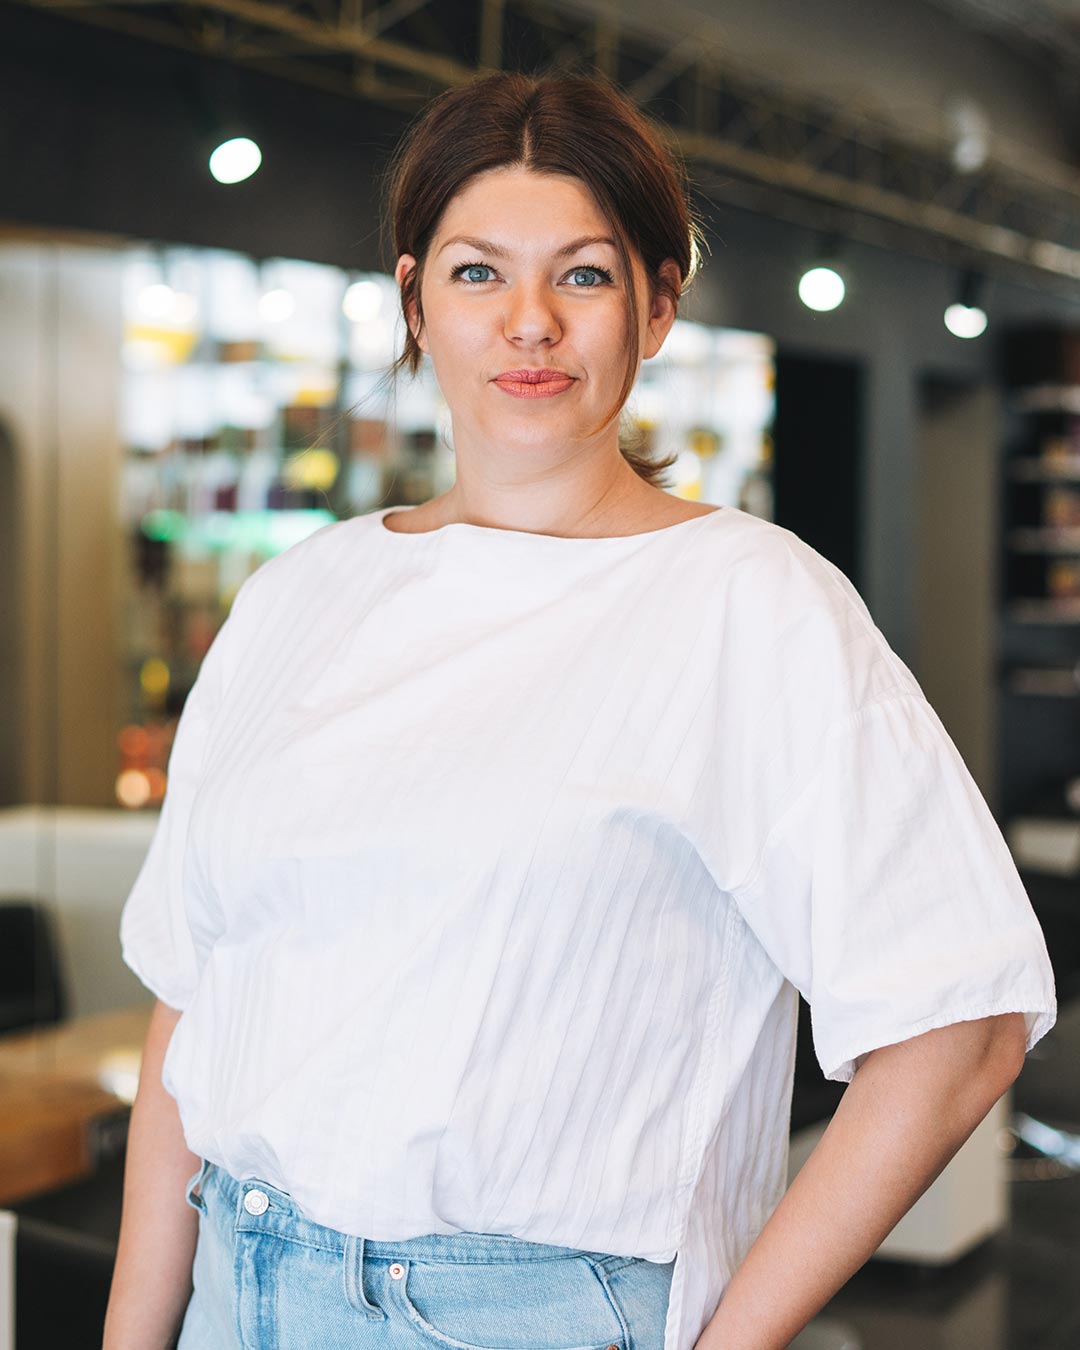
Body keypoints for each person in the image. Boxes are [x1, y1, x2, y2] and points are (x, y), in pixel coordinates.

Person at [104, 69, 1057, 1350]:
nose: (530, 323)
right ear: (414, 301)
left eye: (585, 275)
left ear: (658, 306)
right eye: (478, 273)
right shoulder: (297, 596)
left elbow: (961, 1024)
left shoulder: (747, 604)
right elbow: (192, 995)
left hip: (524, 1316)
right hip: (237, 1280)